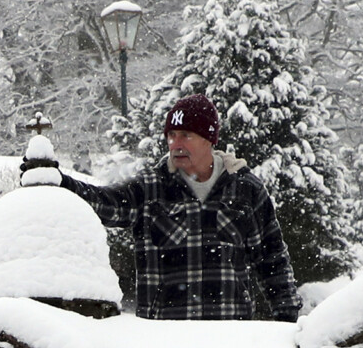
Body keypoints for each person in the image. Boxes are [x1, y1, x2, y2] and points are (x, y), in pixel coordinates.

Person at [56, 93, 301, 322]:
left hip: (231, 339)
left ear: (209, 140)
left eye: (186, 135)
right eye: (171, 135)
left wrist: (287, 318)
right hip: (163, 342)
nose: (176, 144)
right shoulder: (150, 189)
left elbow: (273, 259)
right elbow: (103, 203)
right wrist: (60, 182)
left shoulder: (246, 190)